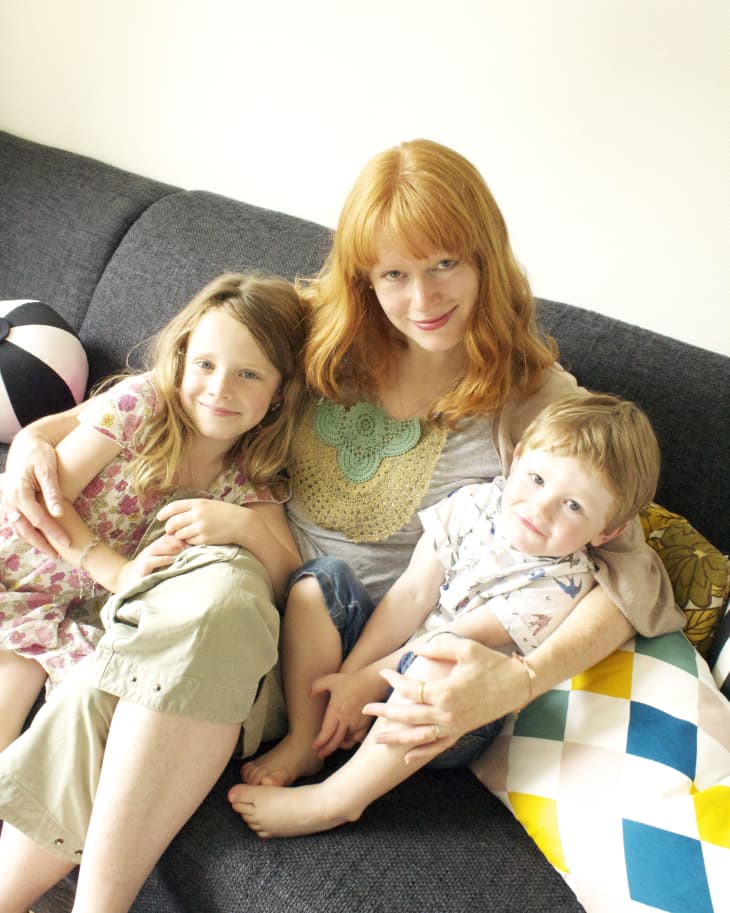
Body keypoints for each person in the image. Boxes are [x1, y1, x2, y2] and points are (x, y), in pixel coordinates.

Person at [0, 139, 684, 913]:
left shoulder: (534, 398)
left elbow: (636, 574)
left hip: (332, 672)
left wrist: (518, 680)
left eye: (445, 264)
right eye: (393, 272)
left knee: (176, 623)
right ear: (364, 275)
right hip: (214, 610)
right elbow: (179, 377)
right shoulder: (320, 327)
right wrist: (40, 436)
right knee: (140, 648)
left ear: (486, 257)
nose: (420, 296)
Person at [232, 394, 662, 837]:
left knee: (442, 658)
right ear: (515, 461)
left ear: (607, 531)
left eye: (574, 506)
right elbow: (410, 595)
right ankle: (308, 738)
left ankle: (337, 799)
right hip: (392, 658)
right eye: (536, 478)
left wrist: (366, 681)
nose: (541, 508)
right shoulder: (474, 503)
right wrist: (352, 676)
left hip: (450, 713)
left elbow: (448, 639)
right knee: (319, 583)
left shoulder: (563, 583)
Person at [0, 272, 305, 752]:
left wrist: (247, 527)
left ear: (281, 392)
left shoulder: (253, 473)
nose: (219, 389)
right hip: (14, 566)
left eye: (249, 374)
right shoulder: (142, 405)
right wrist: (120, 574)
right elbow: (45, 503)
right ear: (182, 361)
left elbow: (291, 580)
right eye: (206, 364)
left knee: (72, 728)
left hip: (63, 613)